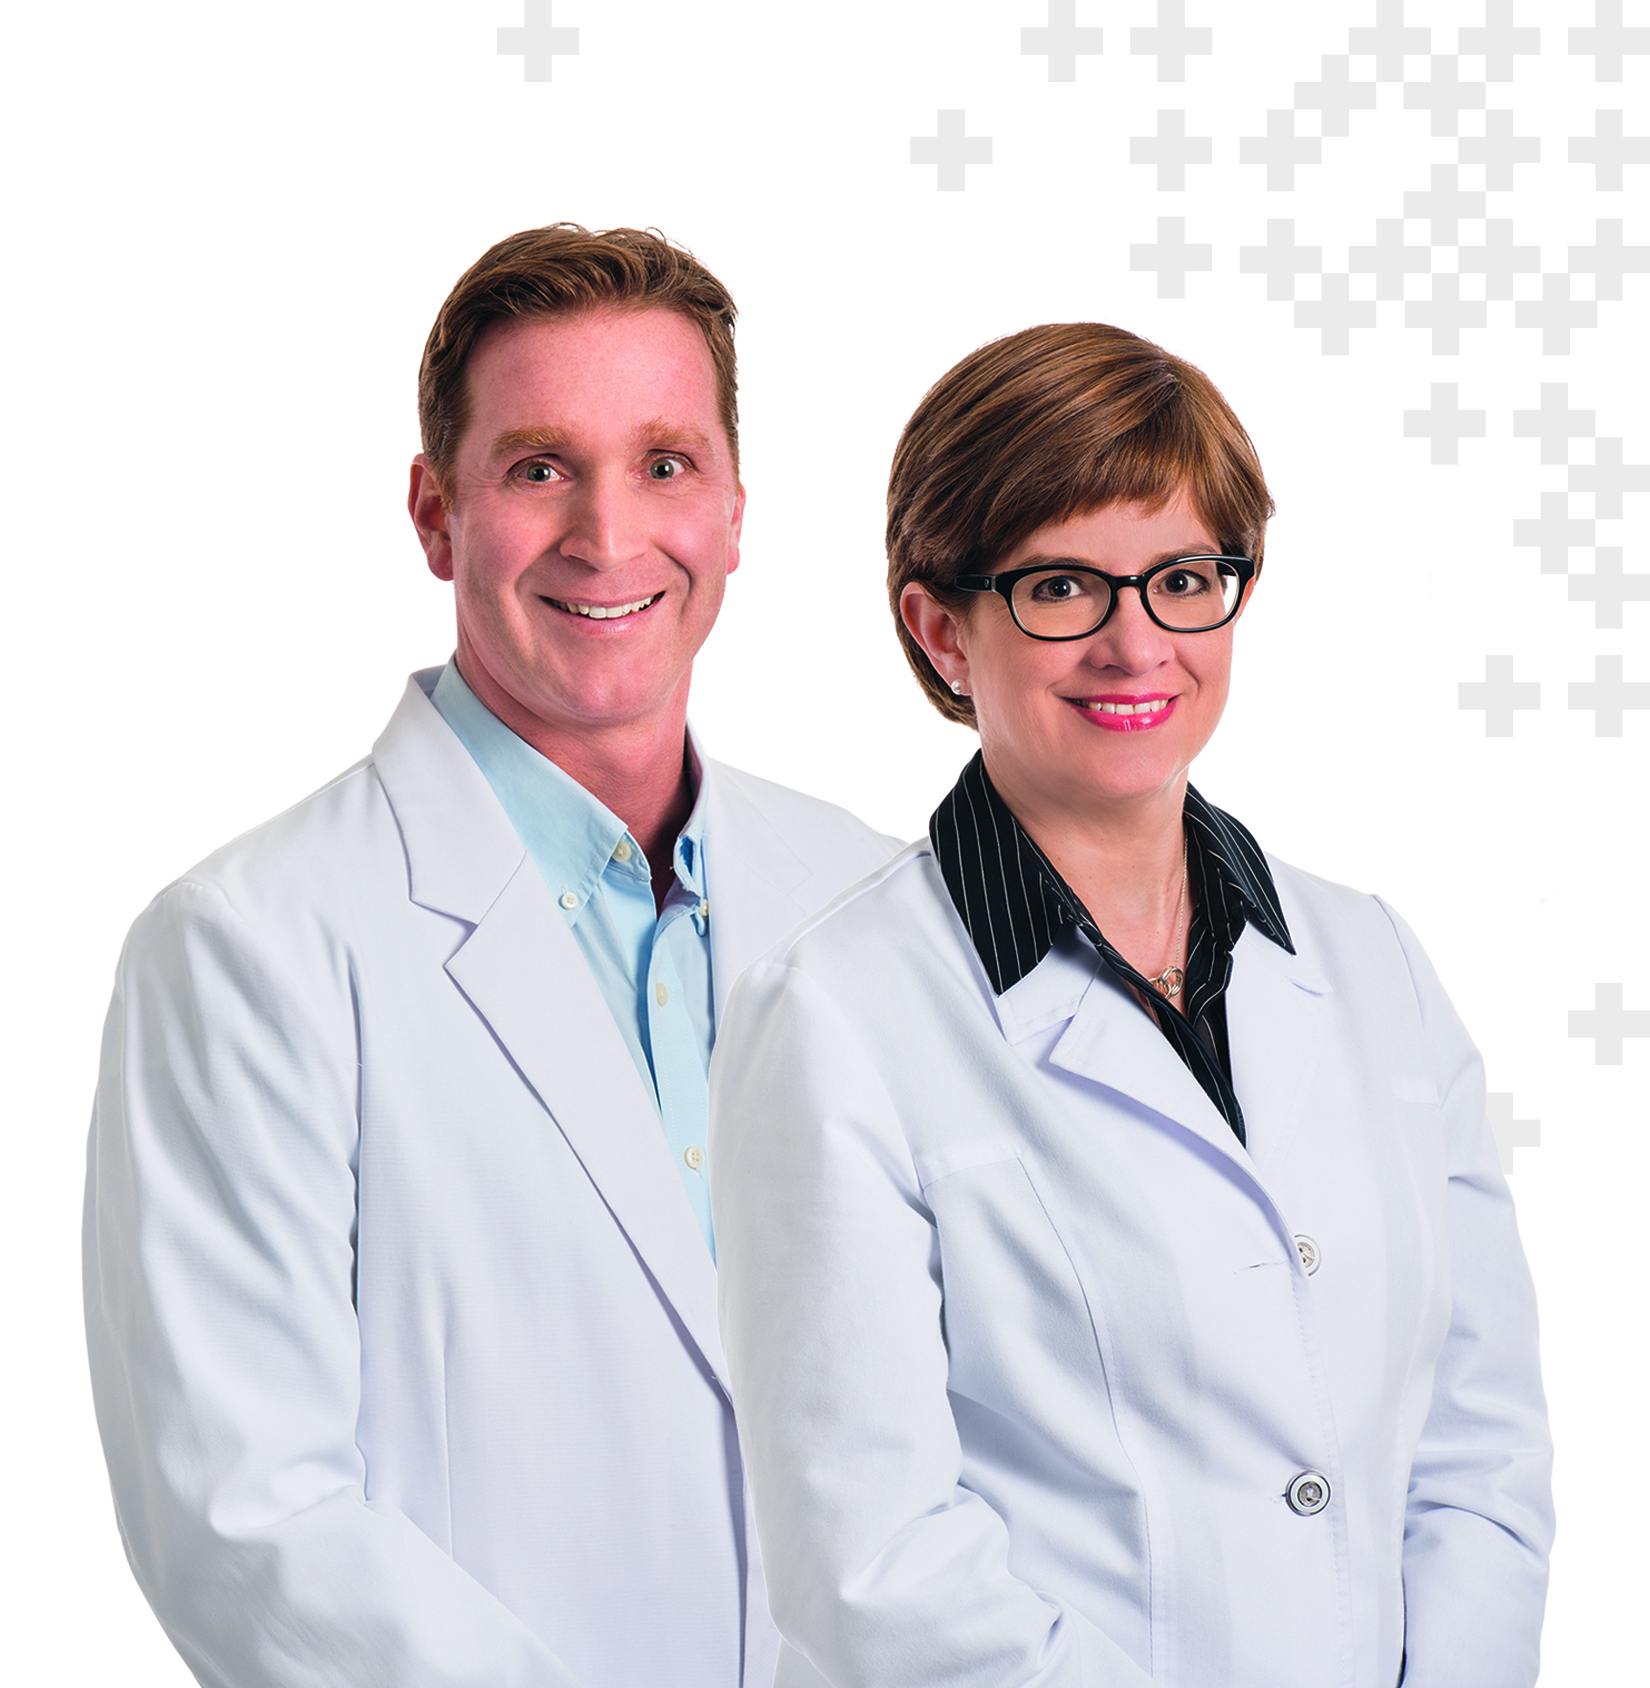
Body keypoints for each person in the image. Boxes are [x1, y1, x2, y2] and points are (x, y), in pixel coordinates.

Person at [83, 224, 898, 1688]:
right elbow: (248, 1523)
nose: (607, 534)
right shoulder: (249, 950)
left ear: (732, 513)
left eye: (665, 464)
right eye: (537, 468)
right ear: (434, 514)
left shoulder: (873, 899)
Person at [709, 323, 1553, 1688]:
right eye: (1059, 587)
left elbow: (1479, 1447)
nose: (1135, 643)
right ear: (940, 628)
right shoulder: (831, 1017)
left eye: (1181, 580)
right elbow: (873, 1567)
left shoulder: (1371, 961)